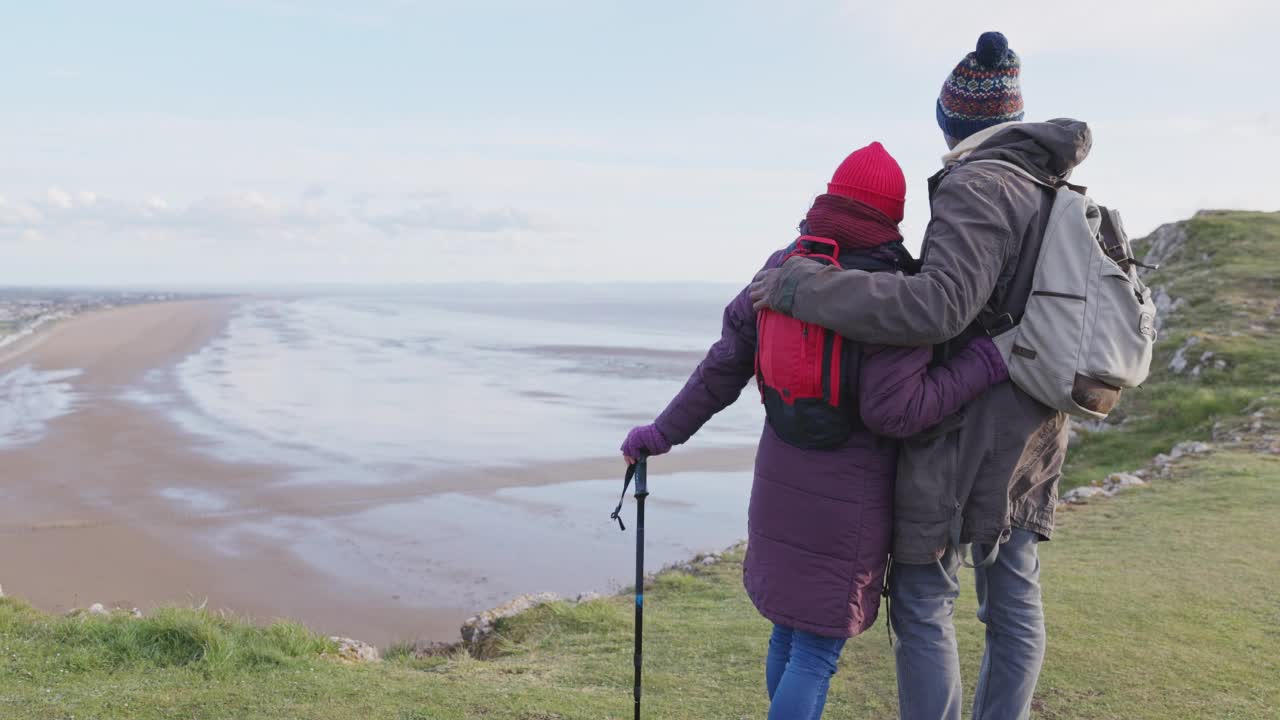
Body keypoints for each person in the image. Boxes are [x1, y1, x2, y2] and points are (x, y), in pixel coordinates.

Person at [749, 31, 1089, 720]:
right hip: (1038, 418)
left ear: (953, 117)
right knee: (1013, 589)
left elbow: (936, 309)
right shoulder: (1045, 182)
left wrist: (799, 288)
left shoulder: (979, 183)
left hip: (971, 426)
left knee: (925, 598)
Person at [619, 142, 1009, 720]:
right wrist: (981, 364)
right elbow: (894, 412)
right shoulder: (888, 289)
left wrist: (661, 432)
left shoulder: (781, 269)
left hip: (779, 477)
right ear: (891, 215)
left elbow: (722, 368)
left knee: (788, 633)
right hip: (848, 497)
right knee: (816, 656)